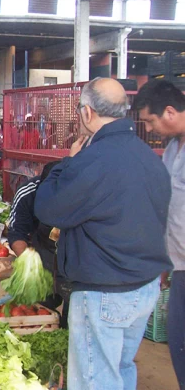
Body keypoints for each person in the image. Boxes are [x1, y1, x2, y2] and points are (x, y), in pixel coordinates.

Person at [34, 78, 173, 390]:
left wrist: (66, 163)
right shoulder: (149, 157)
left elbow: (48, 208)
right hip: (145, 285)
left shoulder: (92, 160)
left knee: (95, 379)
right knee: (121, 369)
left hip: (105, 289)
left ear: (86, 113)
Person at [133, 79, 185, 390]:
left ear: (169, 111)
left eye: (150, 122)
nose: (149, 130)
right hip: (179, 264)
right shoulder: (172, 148)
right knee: (178, 342)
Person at [8, 160, 70, 328]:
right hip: (42, 254)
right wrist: (30, 262)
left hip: (74, 260)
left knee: (73, 321)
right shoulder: (28, 193)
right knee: (36, 314)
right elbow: (16, 231)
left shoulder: (81, 193)